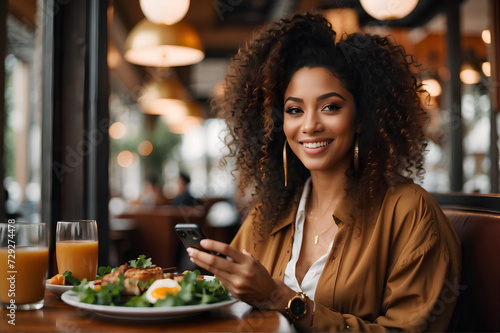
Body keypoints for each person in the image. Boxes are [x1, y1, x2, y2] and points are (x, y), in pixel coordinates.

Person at [187, 13, 461, 332]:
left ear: (361, 118)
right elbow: (228, 306)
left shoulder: (410, 212)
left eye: (330, 106)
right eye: (294, 110)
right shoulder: (269, 214)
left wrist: (280, 297)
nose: (310, 125)